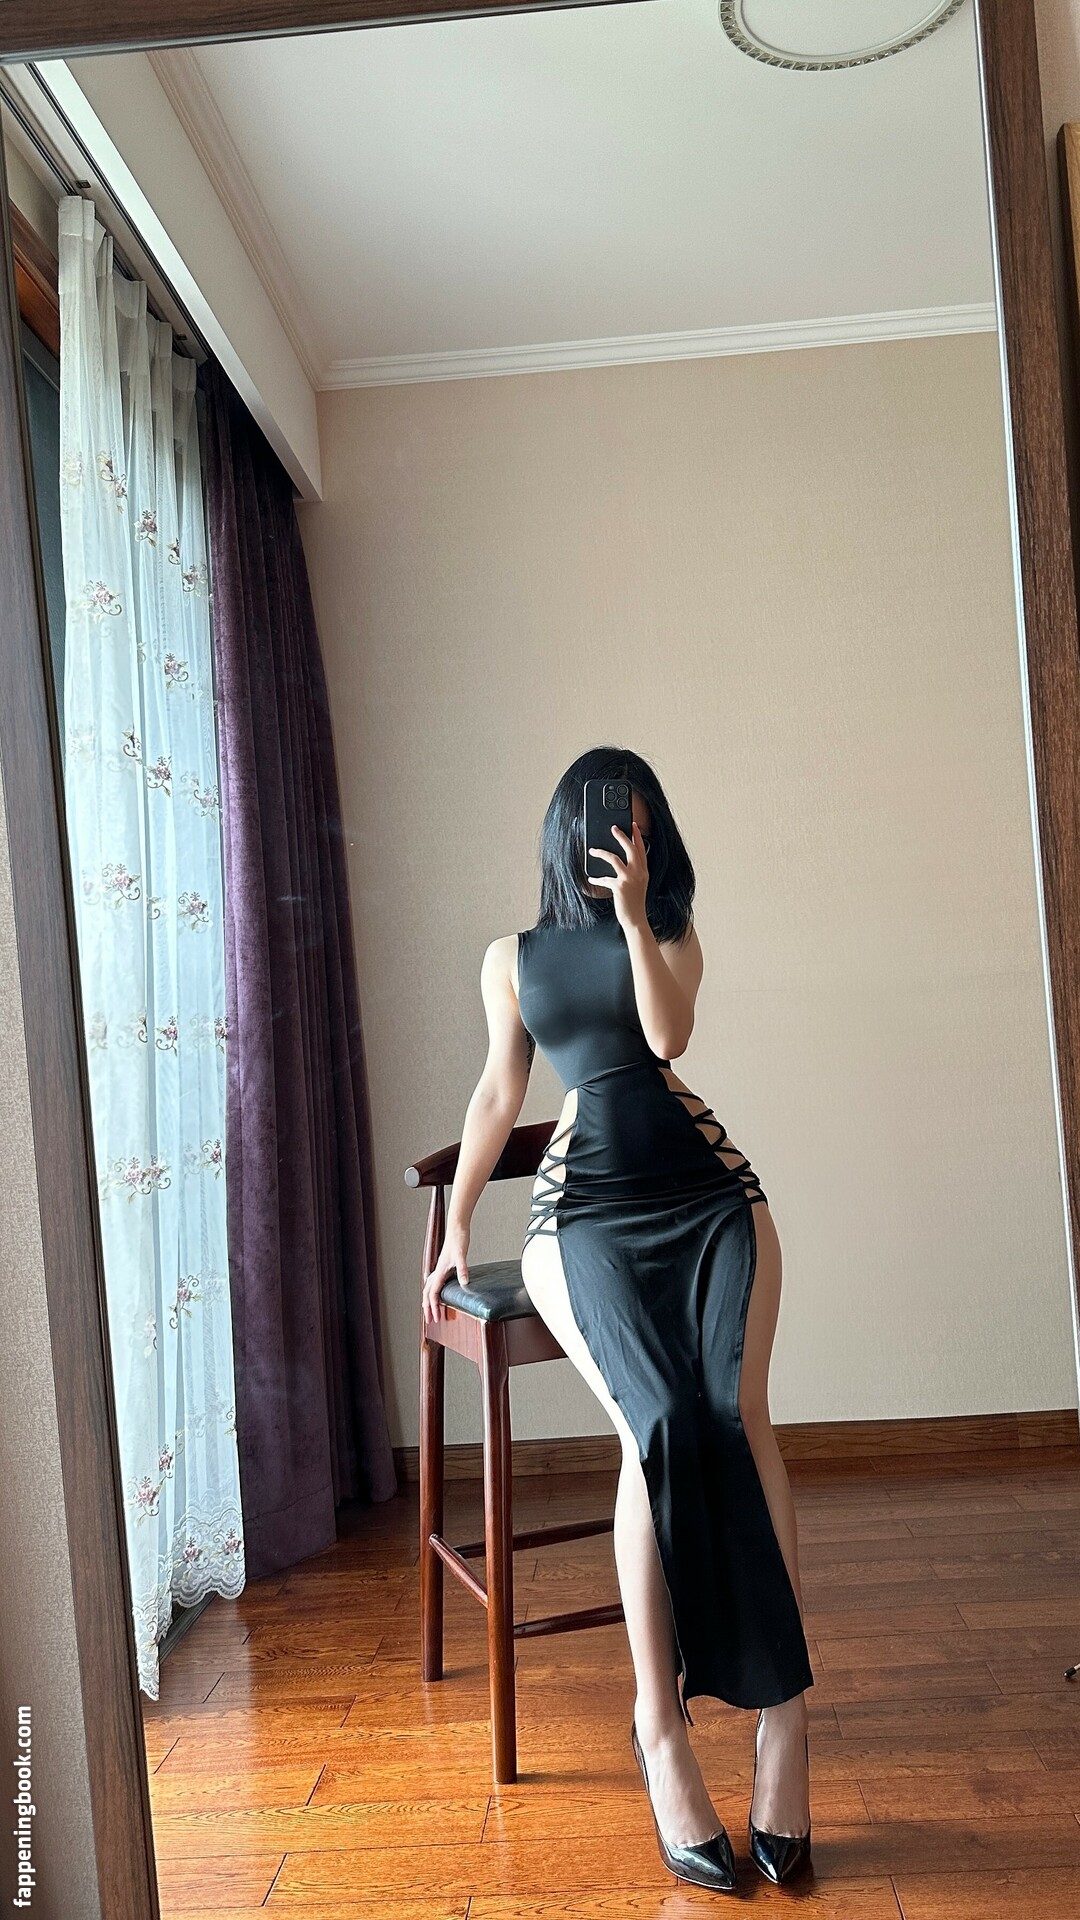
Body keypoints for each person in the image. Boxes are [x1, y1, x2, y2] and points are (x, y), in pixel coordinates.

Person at [422, 746, 813, 1893]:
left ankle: (785, 1719)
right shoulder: (510, 960)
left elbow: (669, 1036)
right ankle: (658, 1724)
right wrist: (457, 1220)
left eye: (639, 827)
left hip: (708, 1196)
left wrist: (639, 916)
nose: (622, 843)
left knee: (736, 1416)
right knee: (658, 1428)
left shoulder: (676, 927)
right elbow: (499, 1093)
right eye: (606, 826)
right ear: (568, 831)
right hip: (582, 1213)